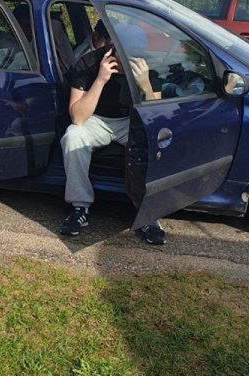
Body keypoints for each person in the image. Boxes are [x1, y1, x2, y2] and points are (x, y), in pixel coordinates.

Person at [59, 20, 169, 245]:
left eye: (133, 54)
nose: (127, 59)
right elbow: (78, 117)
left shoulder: (146, 65)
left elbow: (156, 118)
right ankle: (80, 207)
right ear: (112, 47)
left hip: (130, 121)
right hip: (96, 120)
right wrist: (100, 80)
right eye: (122, 53)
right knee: (73, 135)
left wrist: (145, 85)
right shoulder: (89, 62)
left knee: (154, 142)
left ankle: (148, 213)